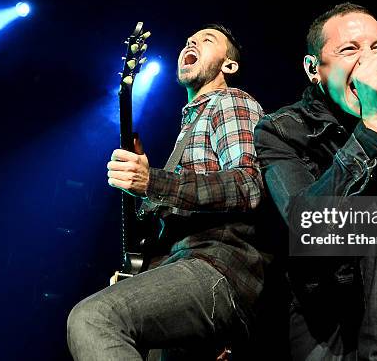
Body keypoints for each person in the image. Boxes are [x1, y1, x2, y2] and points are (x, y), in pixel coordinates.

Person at [254, 3, 377, 360]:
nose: (368, 61)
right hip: (321, 308)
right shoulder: (282, 129)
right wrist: (370, 126)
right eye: (350, 49)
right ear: (313, 68)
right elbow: (307, 225)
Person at [67, 24, 270, 360]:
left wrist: (153, 182)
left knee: (95, 318)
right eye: (190, 39)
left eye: (207, 40)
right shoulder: (189, 129)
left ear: (228, 66)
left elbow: (248, 185)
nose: (192, 41)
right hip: (182, 266)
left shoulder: (230, 101)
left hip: (216, 265)